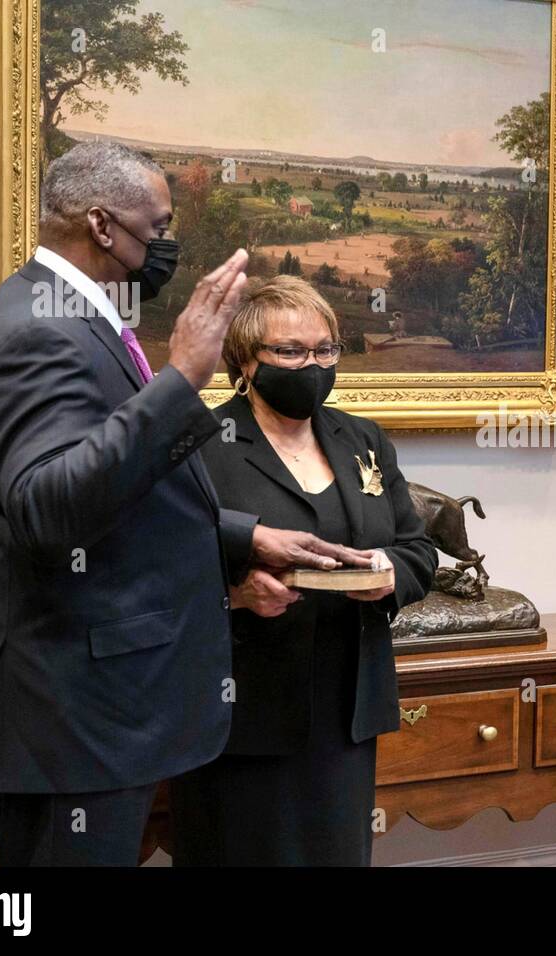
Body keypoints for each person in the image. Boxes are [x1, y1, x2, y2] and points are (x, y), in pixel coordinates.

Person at [0, 142, 370, 866]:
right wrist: (183, 376)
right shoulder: (42, 332)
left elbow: (123, 498)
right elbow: (49, 509)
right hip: (70, 720)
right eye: (160, 225)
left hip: (92, 715)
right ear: (103, 226)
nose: (168, 243)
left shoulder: (73, 316)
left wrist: (241, 538)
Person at [169, 276, 437, 866]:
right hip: (239, 715)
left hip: (346, 714)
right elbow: (160, 558)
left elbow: (418, 550)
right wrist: (236, 594)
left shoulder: (361, 438)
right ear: (245, 360)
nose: (311, 365)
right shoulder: (203, 441)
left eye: (325, 350)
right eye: (290, 352)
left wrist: (387, 573)